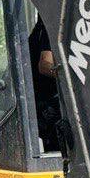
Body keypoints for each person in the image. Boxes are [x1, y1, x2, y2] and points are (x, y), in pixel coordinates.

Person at [28, 16, 62, 153]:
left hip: (40, 104)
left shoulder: (40, 30)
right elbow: (45, 65)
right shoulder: (51, 25)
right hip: (45, 108)